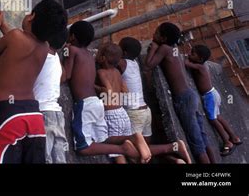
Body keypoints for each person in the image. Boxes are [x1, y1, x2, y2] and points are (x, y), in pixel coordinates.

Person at [0, 0, 67, 164]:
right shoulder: (44, 48)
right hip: (34, 118)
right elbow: (23, 43)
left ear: (30, 17)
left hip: (9, 114)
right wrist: (3, 24)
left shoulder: (15, 37)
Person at [63, 21, 151, 163]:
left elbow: (66, 75)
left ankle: (122, 149)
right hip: (98, 105)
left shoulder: (73, 50)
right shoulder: (89, 56)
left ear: (72, 37)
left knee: (82, 147)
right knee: (103, 139)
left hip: (85, 104)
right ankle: (131, 138)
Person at [97, 43, 191, 164]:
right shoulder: (132, 65)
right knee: (141, 154)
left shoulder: (105, 70)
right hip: (140, 111)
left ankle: (171, 147)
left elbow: (109, 92)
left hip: (131, 113)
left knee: (119, 148)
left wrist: (98, 88)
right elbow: (125, 90)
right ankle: (174, 157)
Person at [145, 22, 215, 163]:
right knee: (201, 135)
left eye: (157, 32)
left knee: (195, 141)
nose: (153, 34)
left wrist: (152, 49)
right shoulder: (173, 48)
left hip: (183, 99)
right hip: (190, 95)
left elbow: (148, 65)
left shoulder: (163, 48)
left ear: (163, 38)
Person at [185, 44, 242, 156]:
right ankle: (234, 137)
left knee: (213, 120)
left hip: (209, 96)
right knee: (218, 117)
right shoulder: (201, 64)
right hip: (213, 93)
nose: (190, 54)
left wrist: (186, 56)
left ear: (200, 59)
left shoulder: (201, 66)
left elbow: (185, 63)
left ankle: (227, 142)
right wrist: (190, 54)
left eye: (193, 53)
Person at [33, 27, 69, 163]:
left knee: (43, 157)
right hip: (57, 114)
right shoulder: (55, 59)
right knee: (59, 158)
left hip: (43, 112)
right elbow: (63, 77)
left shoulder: (39, 55)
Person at [117, 37, 152, 140]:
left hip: (134, 113)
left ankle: (171, 147)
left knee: (134, 149)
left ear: (124, 52)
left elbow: (110, 58)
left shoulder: (122, 63)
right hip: (145, 110)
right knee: (146, 146)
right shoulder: (135, 64)